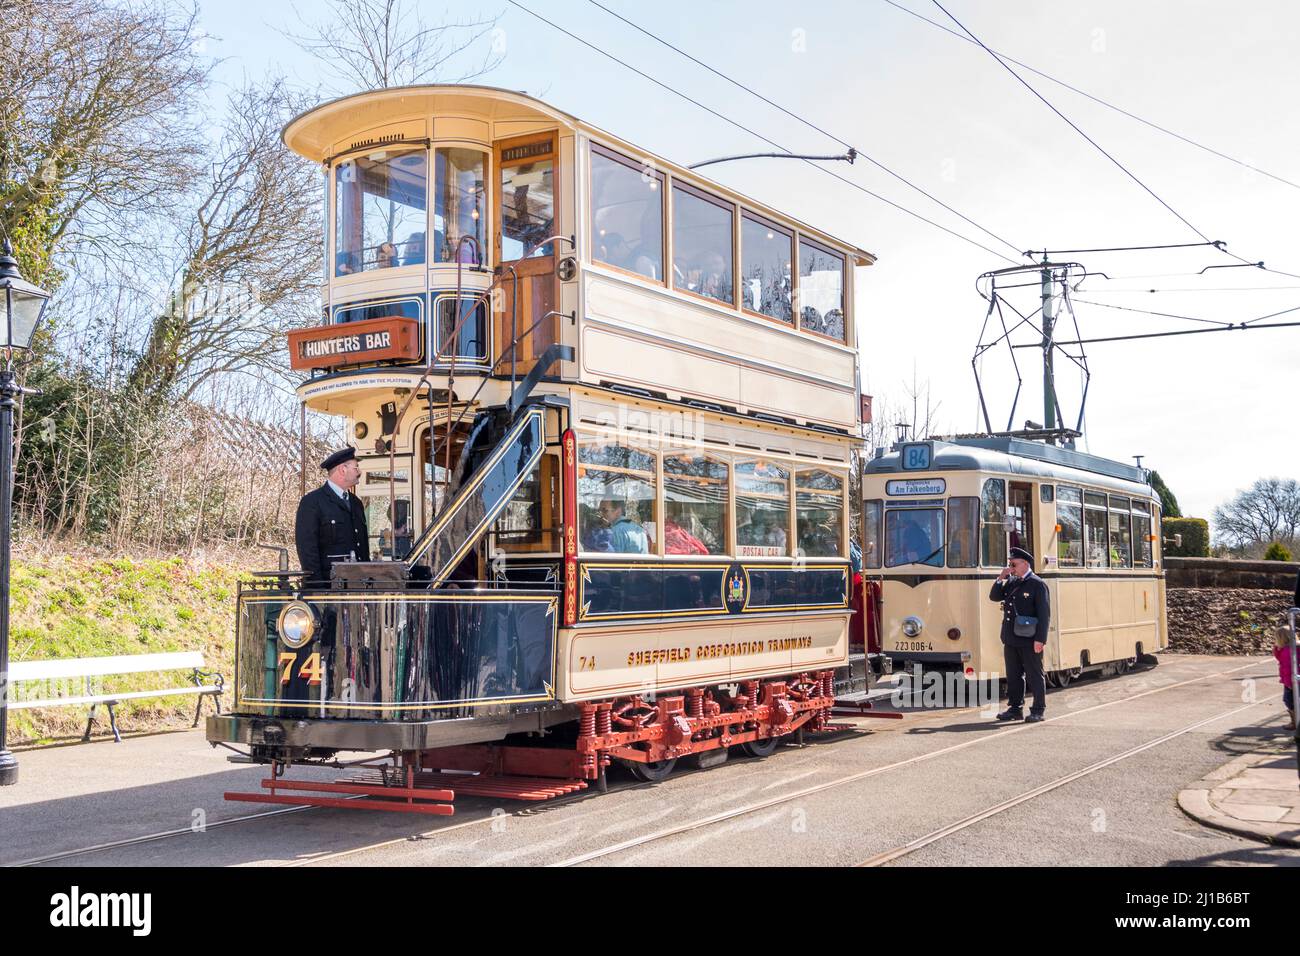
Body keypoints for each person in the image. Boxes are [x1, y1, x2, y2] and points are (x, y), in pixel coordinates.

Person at [989, 546, 1051, 722]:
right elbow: (994, 596)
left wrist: (1040, 639)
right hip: (1011, 637)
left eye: (1014, 564)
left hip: (1030, 638)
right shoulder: (1012, 582)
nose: (1011, 567)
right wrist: (1001, 578)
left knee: (1034, 674)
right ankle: (1015, 708)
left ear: (1025, 563)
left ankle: (1038, 709)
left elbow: (1044, 614)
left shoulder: (1037, 584)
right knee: (1013, 675)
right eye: (1010, 564)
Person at [295, 446, 370, 586]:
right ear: (343, 469)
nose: (359, 472)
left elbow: (363, 547)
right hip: (328, 587)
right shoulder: (312, 502)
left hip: (357, 587)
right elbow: (307, 551)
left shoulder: (356, 503)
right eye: (356, 468)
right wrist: (318, 590)